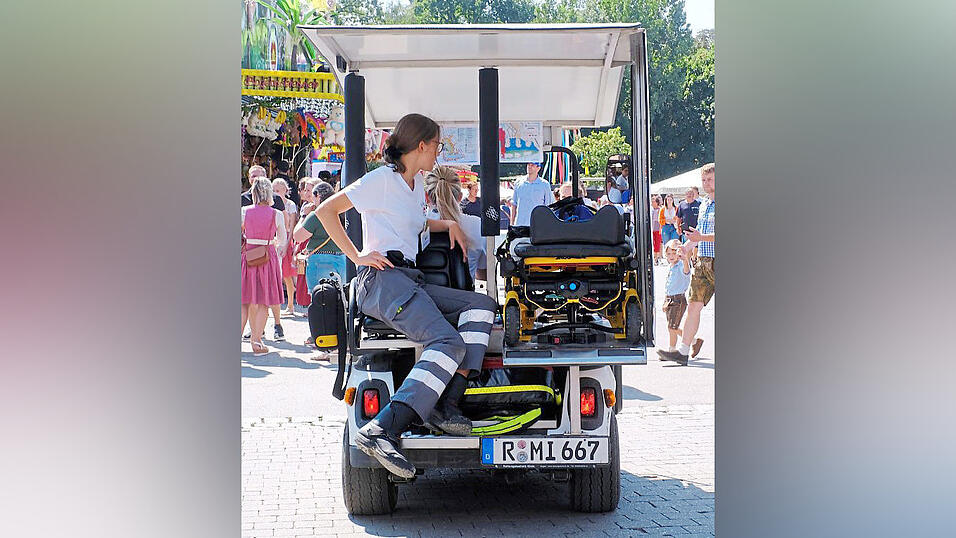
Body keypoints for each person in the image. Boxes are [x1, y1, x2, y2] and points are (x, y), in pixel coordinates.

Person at [314, 113, 497, 478]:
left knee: (482, 306)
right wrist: (358, 256)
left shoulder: (414, 187)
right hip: (382, 279)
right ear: (422, 145)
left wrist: (448, 224)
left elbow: (414, 221)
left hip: (408, 279)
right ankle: (381, 428)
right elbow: (326, 210)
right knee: (447, 342)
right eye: (438, 146)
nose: (439, 154)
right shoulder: (381, 180)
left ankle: (447, 403)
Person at [660, 164, 715, 365]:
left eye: (710, 179)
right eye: (704, 180)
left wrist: (702, 237)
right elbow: (696, 235)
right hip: (702, 262)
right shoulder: (704, 204)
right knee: (693, 306)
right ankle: (682, 352)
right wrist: (684, 247)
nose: (706, 183)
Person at [241, 178, 287, 356]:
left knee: (244, 301)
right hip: (267, 257)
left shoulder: (244, 211)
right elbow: (282, 240)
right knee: (263, 302)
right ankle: (257, 342)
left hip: (248, 256)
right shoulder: (277, 214)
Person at [425, 166, 487, 281]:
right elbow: (484, 274)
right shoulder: (477, 225)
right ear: (460, 197)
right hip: (463, 296)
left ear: (427, 197)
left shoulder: (417, 225)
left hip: (423, 295)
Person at [292, 181, 347, 291]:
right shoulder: (341, 212)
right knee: (339, 298)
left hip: (320, 261)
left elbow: (298, 236)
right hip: (341, 259)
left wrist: (303, 215)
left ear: (318, 195)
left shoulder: (316, 215)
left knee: (320, 298)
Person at [660, 239, 701, 355]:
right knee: (672, 327)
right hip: (670, 299)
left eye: (674, 253)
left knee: (672, 327)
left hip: (678, 300)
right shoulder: (671, 267)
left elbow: (686, 271)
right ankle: (693, 341)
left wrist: (684, 260)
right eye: (668, 254)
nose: (671, 256)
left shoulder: (681, 266)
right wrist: (665, 301)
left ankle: (672, 350)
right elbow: (668, 286)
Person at [273, 178, 299, 317]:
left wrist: (288, 243)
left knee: (287, 274)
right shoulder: (272, 204)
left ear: (285, 190)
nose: (276, 193)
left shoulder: (290, 205)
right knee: (280, 274)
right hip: (276, 239)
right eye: (274, 190)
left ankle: (290, 305)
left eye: (278, 190)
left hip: (287, 239)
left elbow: (292, 226)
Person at [511, 162, 554, 227]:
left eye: (532, 165)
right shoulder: (518, 182)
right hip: (520, 224)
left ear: (538, 168)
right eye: (528, 164)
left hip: (538, 225)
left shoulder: (544, 184)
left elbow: (548, 206)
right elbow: (514, 204)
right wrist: (512, 223)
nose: (529, 166)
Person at [651, 194, 663, 264]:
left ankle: (656, 257)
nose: (652, 203)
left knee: (657, 243)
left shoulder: (660, 209)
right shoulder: (651, 209)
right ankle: (655, 257)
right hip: (652, 228)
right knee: (653, 243)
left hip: (658, 229)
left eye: (653, 201)